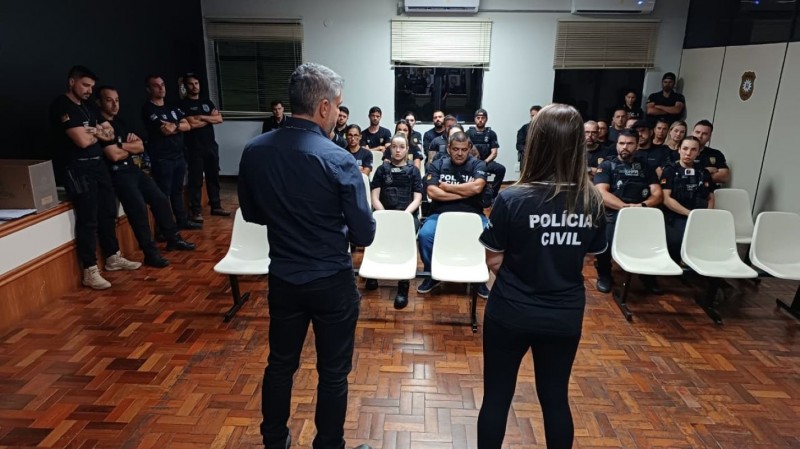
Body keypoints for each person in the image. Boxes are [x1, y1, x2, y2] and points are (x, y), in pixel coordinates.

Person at [238, 62, 375, 449]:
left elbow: (252, 213)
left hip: (283, 277)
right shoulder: (339, 159)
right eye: (338, 105)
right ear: (324, 107)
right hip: (331, 281)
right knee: (333, 372)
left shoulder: (254, 151)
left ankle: (274, 441)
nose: (338, 112)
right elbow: (364, 233)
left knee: (280, 364)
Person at [477, 104, 606, 449]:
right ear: (578, 145)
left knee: (496, 398)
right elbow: (587, 257)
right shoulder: (592, 200)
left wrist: (525, 272)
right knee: (555, 398)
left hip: (510, 311)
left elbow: (493, 259)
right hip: (563, 314)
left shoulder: (512, 198)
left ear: (536, 143)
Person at [49, 66, 141, 289]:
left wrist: (94, 132)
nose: (89, 90)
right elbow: (81, 141)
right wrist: (97, 133)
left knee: (108, 211)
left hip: (98, 165)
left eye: (91, 86)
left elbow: (109, 133)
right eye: (85, 85)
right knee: (88, 218)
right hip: (77, 168)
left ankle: (112, 256)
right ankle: (90, 269)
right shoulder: (62, 104)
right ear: (72, 82)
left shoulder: (89, 106)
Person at [97, 86, 196, 268]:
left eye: (117, 100)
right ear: (100, 102)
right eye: (109, 100)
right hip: (117, 174)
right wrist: (128, 146)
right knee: (138, 210)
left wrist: (121, 145)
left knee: (160, 199)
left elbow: (140, 147)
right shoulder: (100, 126)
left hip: (134, 169)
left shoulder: (121, 123)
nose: (114, 105)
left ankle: (173, 238)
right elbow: (113, 155)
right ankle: (150, 253)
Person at [417, 131, 490, 298]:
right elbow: (433, 192)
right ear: (449, 148)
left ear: (469, 148)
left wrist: (448, 187)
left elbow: (477, 187)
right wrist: (466, 192)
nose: (459, 153)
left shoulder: (478, 164)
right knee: (425, 235)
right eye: (456, 149)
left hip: (473, 214)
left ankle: (480, 278)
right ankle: (431, 273)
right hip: (440, 214)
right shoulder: (437, 165)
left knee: (489, 236)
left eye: (464, 149)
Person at [593, 129, 662, 294]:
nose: (625, 147)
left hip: (641, 213)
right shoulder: (607, 165)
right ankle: (604, 273)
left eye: (630, 143)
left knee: (653, 240)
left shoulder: (646, 167)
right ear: (616, 145)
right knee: (605, 238)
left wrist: (643, 206)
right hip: (615, 212)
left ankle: (647, 274)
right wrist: (626, 209)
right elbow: (601, 193)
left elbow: (658, 194)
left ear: (637, 145)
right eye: (621, 143)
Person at [370, 133, 424, 309]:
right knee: (373, 230)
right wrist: (385, 215)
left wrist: (403, 217)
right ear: (390, 149)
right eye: (394, 147)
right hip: (384, 213)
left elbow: (417, 199)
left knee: (404, 238)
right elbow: (374, 197)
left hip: (406, 216)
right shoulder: (382, 170)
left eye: (401, 147)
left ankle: (403, 285)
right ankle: (373, 273)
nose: (398, 150)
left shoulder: (413, 171)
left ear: (407, 149)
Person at [141, 75, 200, 230]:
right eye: (156, 85)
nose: (161, 88)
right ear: (149, 89)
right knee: (163, 194)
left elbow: (188, 125)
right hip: (162, 157)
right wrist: (177, 125)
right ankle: (164, 229)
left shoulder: (171, 106)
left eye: (162, 84)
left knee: (177, 191)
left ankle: (182, 221)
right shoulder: (148, 108)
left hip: (178, 155)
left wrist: (175, 125)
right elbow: (165, 130)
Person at [179, 73, 230, 222]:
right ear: (185, 86)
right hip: (194, 148)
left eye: (196, 83)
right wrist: (209, 119)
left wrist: (201, 117)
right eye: (191, 84)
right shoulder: (183, 105)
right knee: (196, 181)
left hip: (210, 146)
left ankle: (216, 206)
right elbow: (191, 124)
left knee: (213, 177)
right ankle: (196, 211)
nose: (194, 86)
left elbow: (219, 119)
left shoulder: (207, 102)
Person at [661, 136, 715, 263]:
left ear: (698, 152)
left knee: (710, 243)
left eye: (693, 149)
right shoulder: (670, 170)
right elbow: (666, 199)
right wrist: (689, 214)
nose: (688, 153)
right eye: (685, 148)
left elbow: (710, 197)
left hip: (700, 216)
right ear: (679, 150)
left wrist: (707, 215)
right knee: (677, 241)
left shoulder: (703, 172)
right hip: (676, 216)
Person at [467, 109, 505, 199]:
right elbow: (466, 150)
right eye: (478, 118)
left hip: (486, 162)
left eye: (483, 118)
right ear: (475, 119)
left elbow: (494, 153)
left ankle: (493, 194)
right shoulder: (468, 133)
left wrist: (484, 162)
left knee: (501, 169)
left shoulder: (491, 134)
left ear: (486, 119)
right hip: (472, 163)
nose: (480, 120)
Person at [692, 119, 730, 188]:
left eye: (705, 134)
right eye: (697, 132)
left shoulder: (716, 154)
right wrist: (707, 171)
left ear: (709, 137)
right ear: (692, 133)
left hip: (709, 192)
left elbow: (724, 177)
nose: (700, 136)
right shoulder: (681, 151)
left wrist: (693, 174)